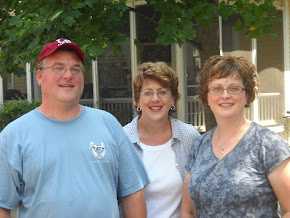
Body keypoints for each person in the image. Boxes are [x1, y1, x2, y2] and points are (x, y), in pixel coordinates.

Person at [0, 38, 150, 218]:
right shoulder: (14, 135)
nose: (68, 75)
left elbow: (133, 192)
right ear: (39, 76)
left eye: (76, 69)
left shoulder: (108, 124)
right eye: (58, 68)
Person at [181, 55, 290, 217]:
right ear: (207, 96)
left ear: (247, 95)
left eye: (234, 88)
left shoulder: (268, 144)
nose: (225, 95)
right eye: (216, 89)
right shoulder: (199, 145)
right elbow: (188, 211)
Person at [123, 62, 200, 218]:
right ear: (138, 101)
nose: (155, 99)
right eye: (148, 92)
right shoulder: (121, 140)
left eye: (162, 92)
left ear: (173, 99)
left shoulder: (189, 137)